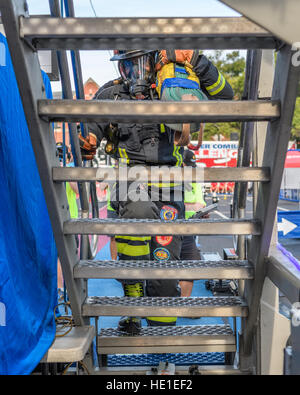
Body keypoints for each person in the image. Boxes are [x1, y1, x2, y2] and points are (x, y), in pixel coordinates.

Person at [80, 50, 234, 334]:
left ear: (154, 62)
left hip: (170, 186)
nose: (134, 72)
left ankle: (160, 335)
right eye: (128, 65)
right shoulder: (110, 95)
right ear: (120, 68)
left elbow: (227, 99)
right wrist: (87, 140)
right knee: (137, 213)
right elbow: (90, 127)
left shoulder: (172, 90)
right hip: (131, 181)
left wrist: (196, 61)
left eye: (139, 63)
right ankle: (133, 294)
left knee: (164, 284)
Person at [180, 149, 206, 298]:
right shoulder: (168, 180)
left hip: (189, 227)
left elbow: (200, 204)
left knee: (190, 263)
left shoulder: (194, 181)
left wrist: (202, 210)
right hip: (170, 226)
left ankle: (184, 303)